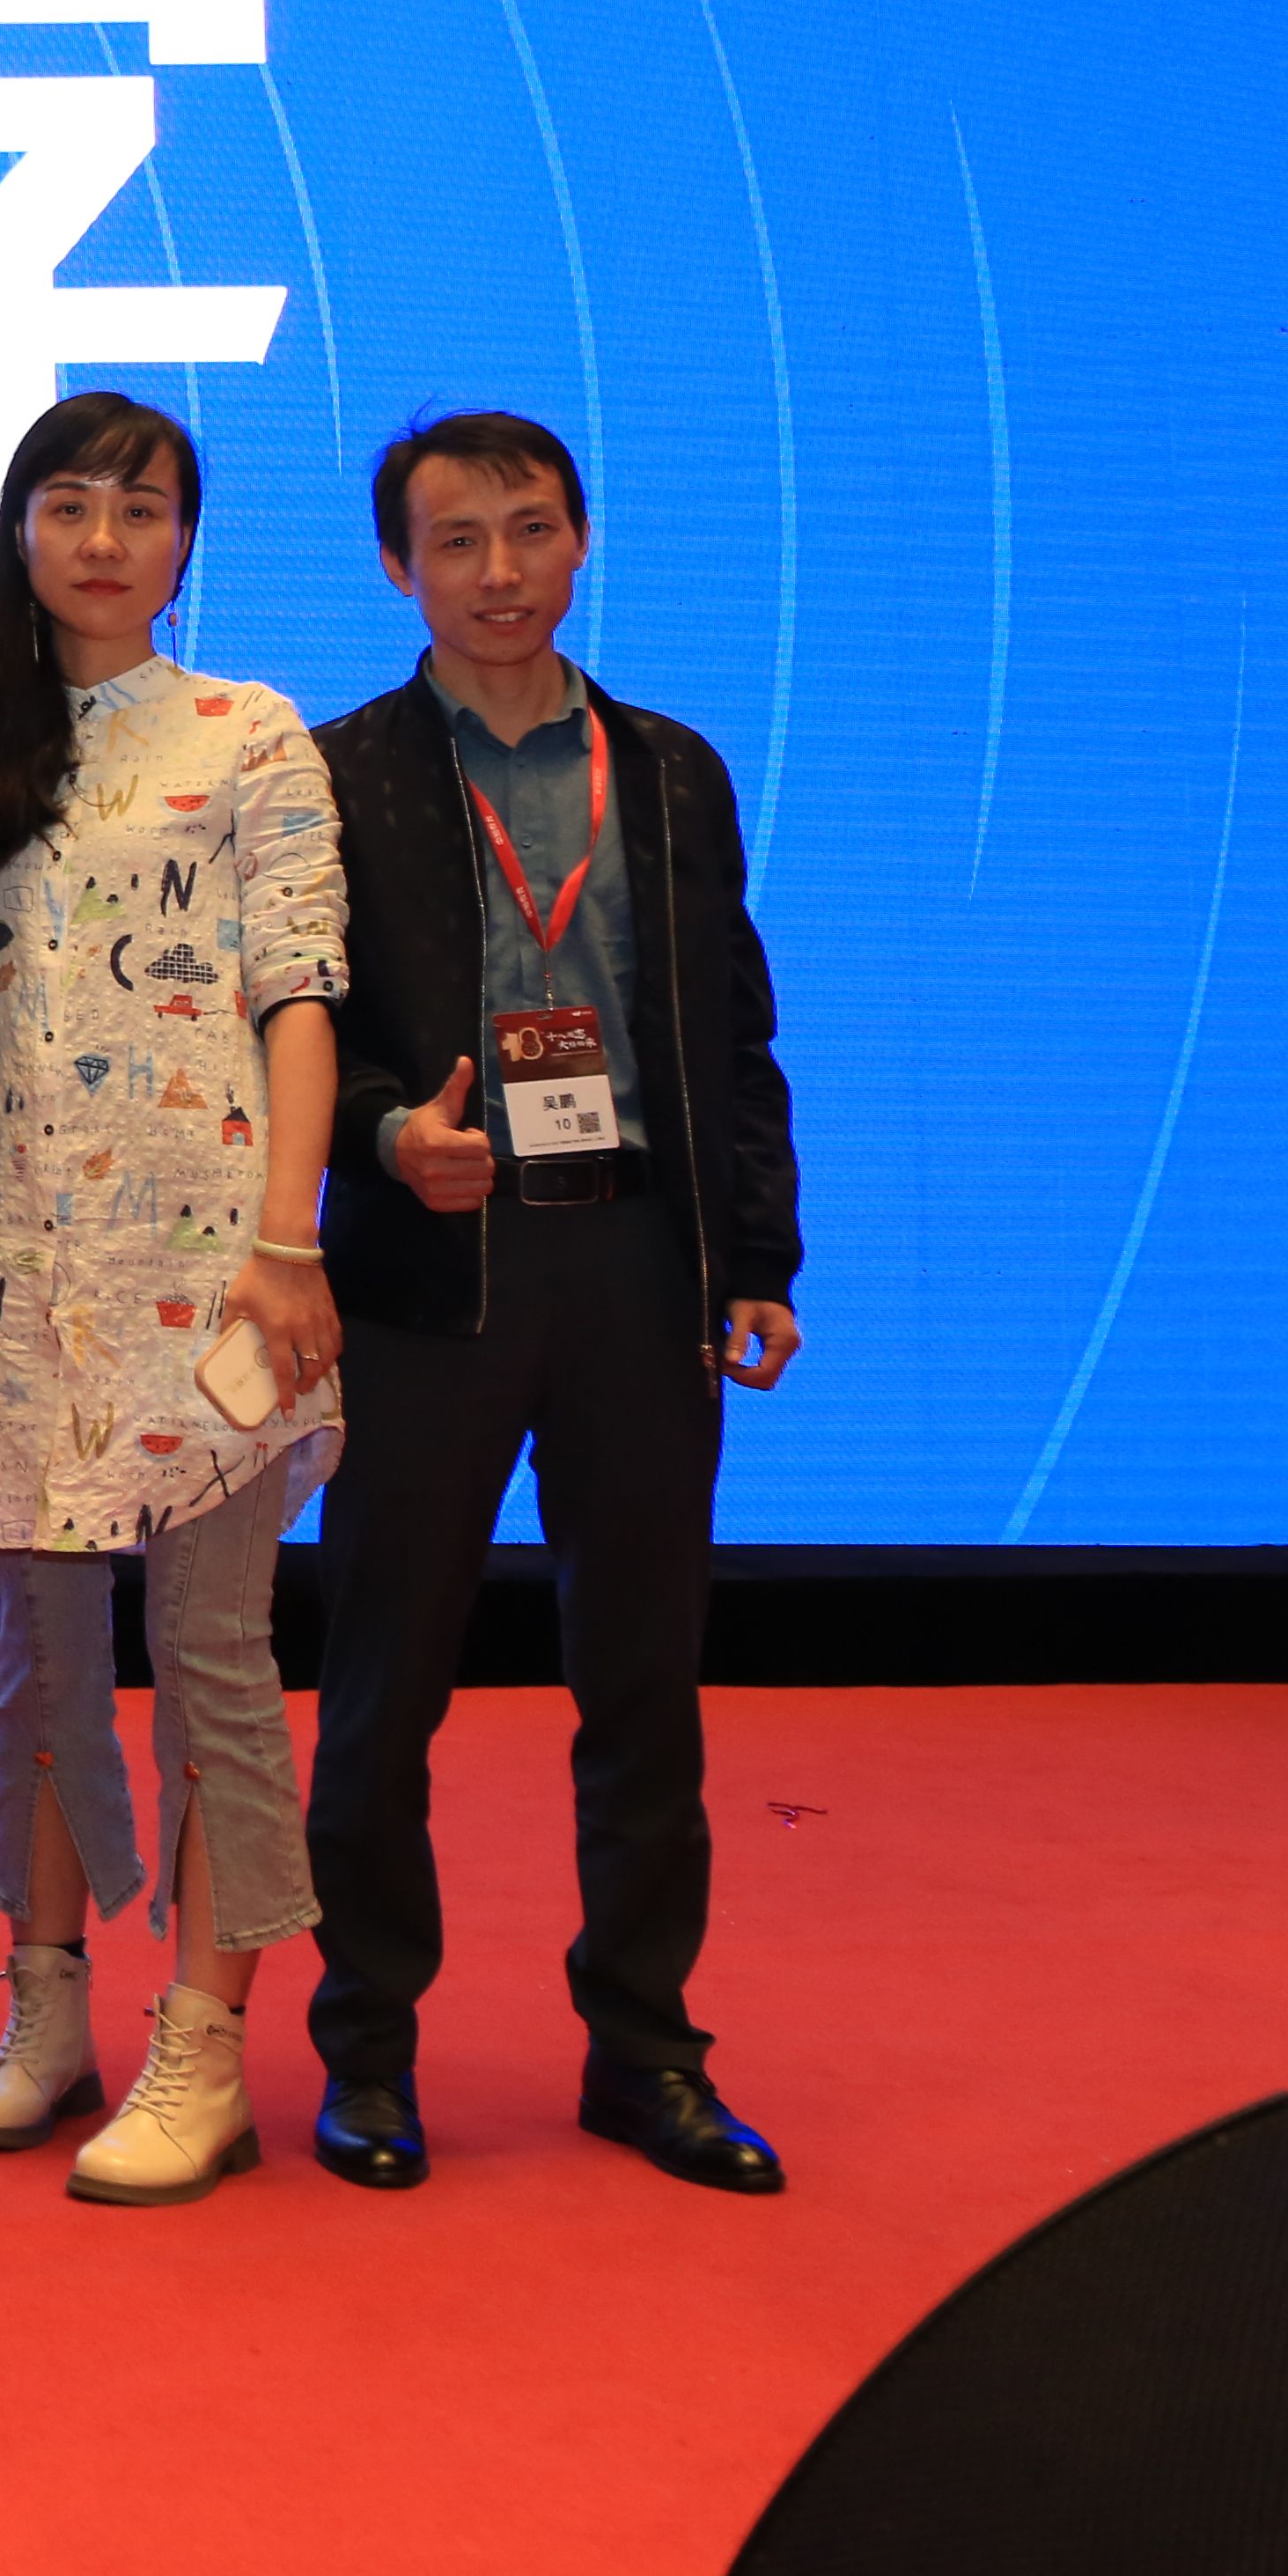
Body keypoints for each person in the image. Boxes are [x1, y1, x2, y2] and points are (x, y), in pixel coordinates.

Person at [303, 411, 805, 2198]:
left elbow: (734, 1032)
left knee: (645, 1683)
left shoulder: (668, 771)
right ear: (399, 569)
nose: (498, 571)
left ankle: (648, 2051)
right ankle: (368, 2054)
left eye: (529, 531)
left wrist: (759, 1257)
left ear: (582, 540)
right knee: (384, 1687)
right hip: (433, 1268)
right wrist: (385, 1138)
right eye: (457, 540)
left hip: (637, 1266)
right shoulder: (337, 773)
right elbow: (298, 1031)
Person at [0, 392, 351, 2206]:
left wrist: (291, 1237)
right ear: (18, 527)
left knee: (214, 1655)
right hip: (8, 1275)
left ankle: (207, 2042)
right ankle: (47, 2009)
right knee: (34, 1660)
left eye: (145, 508)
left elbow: (301, 991)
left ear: (187, 540)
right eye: (70, 505)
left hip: (212, 1273)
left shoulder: (249, 731)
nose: (105, 541)